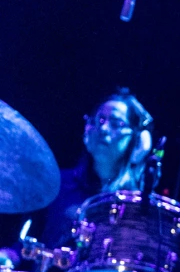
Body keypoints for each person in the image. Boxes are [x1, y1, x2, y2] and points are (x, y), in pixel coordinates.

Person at [36, 88, 153, 248]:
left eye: (115, 124)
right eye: (99, 120)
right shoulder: (58, 184)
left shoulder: (138, 204)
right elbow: (32, 239)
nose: (103, 129)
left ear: (137, 140)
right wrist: (11, 255)